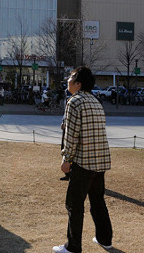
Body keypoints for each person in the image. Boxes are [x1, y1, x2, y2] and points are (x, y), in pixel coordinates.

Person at [53, 66, 112, 253]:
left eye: (70, 78)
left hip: (83, 162)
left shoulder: (74, 102)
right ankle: (104, 239)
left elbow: (72, 135)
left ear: (78, 83)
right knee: (97, 201)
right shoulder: (96, 101)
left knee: (74, 204)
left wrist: (66, 159)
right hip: (100, 160)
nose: (68, 81)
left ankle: (73, 247)